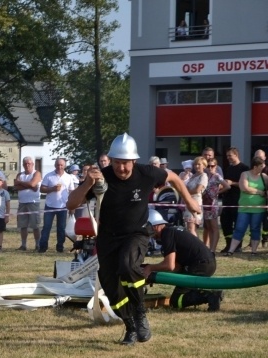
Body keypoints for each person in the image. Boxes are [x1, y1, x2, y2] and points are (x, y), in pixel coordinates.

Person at [67, 133, 201, 345]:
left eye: (126, 164)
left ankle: (140, 313)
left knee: (128, 265)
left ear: (134, 161)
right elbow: (71, 204)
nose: (121, 168)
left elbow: (174, 178)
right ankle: (130, 327)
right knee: (111, 288)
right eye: (117, 163)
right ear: (111, 161)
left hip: (136, 234)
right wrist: (87, 184)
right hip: (108, 238)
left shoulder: (147, 173)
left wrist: (189, 202)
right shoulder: (101, 177)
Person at [143, 210, 222, 312]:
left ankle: (211, 296)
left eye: (149, 228)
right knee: (181, 294)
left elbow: (169, 265)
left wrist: (149, 268)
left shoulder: (167, 234)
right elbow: (177, 267)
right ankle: (208, 294)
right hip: (206, 263)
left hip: (199, 265)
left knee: (176, 301)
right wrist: (154, 275)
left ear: (156, 226)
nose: (150, 234)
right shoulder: (172, 231)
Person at [223, 156, 267, 257]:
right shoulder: (245, 174)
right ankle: (231, 250)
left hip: (259, 208)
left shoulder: (264, 177)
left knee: (255, 229)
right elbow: (244, 188)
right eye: (261, 166)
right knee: (239, 228)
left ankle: (254, 251)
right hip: (244, 208)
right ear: (255, 167)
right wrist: (259, 191)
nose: (263, 167)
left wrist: (263, 193)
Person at [38, 157, 74, 253]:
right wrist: (52, 189)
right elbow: (42, 189)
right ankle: (43, 246)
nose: (59, 167)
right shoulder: (49, 176)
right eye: (58, 165)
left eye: (61, 165)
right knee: (46, 227)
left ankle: (60, 246)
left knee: (61, 228)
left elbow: (71, 192)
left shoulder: (68, 177)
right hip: (49, 206)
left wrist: (72, 206)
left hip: (63, 206)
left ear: (64, 166)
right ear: (55, 165)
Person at [220, 148, 248, 252]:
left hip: (238, 200)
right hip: (227, 199)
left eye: (230, 155)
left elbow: (245, 185)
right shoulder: (228, 168)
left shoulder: (244, 168)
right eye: (227, 156)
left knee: (237, 224)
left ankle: (238, 246)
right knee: (225, 222)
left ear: (236, 155)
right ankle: (228, 244)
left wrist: (232, 183)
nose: (228, 158)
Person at [13, 156, 42, 251]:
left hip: (33, 203)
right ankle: (23, 245)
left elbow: (33, 184)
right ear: (23, 165)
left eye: (29, 163)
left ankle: (37, 244)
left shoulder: (37, 173)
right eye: (25, 164)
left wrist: (21, 183)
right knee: (23, 225)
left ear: (32, 164)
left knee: (35, 225)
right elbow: (16, 187)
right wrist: (29, 185)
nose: (27, 165)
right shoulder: (20, 174)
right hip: (22, 203)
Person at [201, 162, 230, 252]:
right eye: (208, 166)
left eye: (212, 166)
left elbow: (227, 186)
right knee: (208, 226)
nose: (210, 168)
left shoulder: (217, 176)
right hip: (205, 203)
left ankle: (213, 249)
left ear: (216, 167)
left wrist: (217, 192)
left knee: (214, 227)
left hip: (213, 204)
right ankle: (210, 247)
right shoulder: (205, 176)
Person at [183, 156, 208, 237]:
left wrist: (185, 192)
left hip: (195, 201)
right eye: (195, 164)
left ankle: (195, 247)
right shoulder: (192, 176)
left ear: (204, 165)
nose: (196, 166)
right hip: (188, 201)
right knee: (189, 227)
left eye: (199, 164)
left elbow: (197, 190)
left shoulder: (203, 175)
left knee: (191, 227)